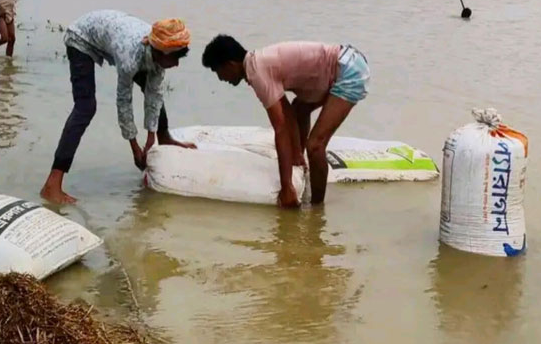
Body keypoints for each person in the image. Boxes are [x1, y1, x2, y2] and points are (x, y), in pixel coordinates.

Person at [40, 10, 196, 205]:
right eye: (175, 58)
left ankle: (164, 137)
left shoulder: (158, 50)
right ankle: (52, 183)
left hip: (116, 35)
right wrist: (134, 147)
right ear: (161, 52)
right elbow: (124, 101)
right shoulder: (130, 57)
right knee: (85, 107)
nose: (177, 64)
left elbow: (154, 95)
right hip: (81, 38)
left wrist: (151, 139)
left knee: (153, 90)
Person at [202, 36, 370, 208]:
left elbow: (281, 128)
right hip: (345, 60)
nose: (220, 78)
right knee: (299, 109)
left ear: (230, 65)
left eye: (217, 71)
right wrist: (295, 155)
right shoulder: (257, 63)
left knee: (315, 146)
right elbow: (288, 114)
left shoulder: (257, 72)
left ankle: (316, 208)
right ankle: (300, 161)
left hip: (349, 71)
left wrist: (286, 186)